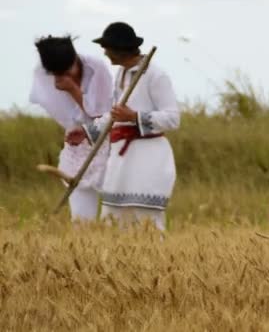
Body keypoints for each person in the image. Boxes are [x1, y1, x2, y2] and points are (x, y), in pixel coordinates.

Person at [66, 22, 180, 231]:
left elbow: (173, 118)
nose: (104, 52)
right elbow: (115, 114)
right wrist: (86, 131)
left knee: (146, 221)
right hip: (121, 160)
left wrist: (135, 116)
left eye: (107, 47)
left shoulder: (155, 75)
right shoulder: (121, 74)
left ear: (119, 49)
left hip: (148, 158)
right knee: (114, 219)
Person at [29, 35, 112, 222]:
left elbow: (100, 115)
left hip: (106, 139)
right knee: (81, 216)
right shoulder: (43, 74)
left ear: (75, 59)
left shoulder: (96, 68)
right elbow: (67, 115)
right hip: (76, 143)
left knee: (115, 209)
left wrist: (73, 89)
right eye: (57, 74)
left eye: (67, 71)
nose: (62, 77)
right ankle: (83, 246)